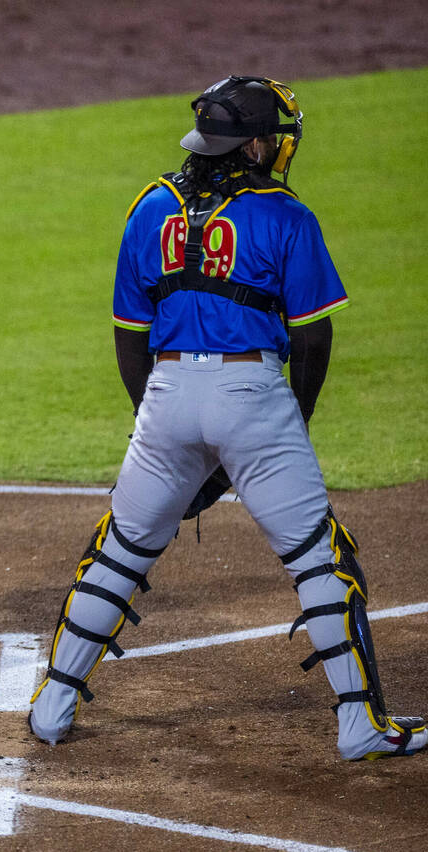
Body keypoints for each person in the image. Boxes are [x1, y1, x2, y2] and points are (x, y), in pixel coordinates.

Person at [28, 76, 425, 760]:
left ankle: (51, 708)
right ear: (257, 144)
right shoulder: (285, 213)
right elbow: (312, 336)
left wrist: (158, 430)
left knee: (119, 549)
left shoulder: (150, 205)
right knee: (318, 554)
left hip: (165, 393)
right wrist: (288, 424)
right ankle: (361, 724)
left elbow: (129, 331)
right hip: (252, 394)